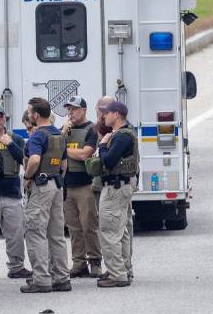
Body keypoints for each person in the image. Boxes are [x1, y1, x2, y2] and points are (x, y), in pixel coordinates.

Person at [20, 97, 71, 293]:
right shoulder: (58, 134)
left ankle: (41, 279)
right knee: (56, 234)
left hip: (41, 185)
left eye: (30, 111)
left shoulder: (37, 136)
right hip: (57, 184)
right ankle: (61, 277)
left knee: (35, 232)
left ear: (36, 115)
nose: (29, 114)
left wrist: (27, 176)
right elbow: (64, 165)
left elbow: (34, 159)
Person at [0, 104, 31, 280]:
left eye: (1, 117)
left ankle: (16, 266)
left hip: (11, 192)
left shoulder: (16, 139)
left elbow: (24, 160)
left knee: (16, 234)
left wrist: (10, 144)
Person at [96, 100, 139, 288]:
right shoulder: (126, 133)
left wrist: (103, 145)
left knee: (109, 231)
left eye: (107, 113)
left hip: (115, 188)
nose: (104, 116)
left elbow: (109, 161)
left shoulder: (121, 137)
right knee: (121, 231)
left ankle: (117, 274)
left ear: (117, 114)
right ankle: (124, 269)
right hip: (121, 187)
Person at [61, 96, 102, 279]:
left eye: (75, 109)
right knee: (73, 228)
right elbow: (53, 150)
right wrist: (62, 134)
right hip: (67, 185)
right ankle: (78, 263)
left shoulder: (91, 129)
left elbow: (86, 154)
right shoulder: (65, 131)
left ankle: (95, 261)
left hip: (85, 184)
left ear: (84, 110)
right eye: (69, 109)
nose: (71, 112)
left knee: (89, 226)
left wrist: (65, 150)